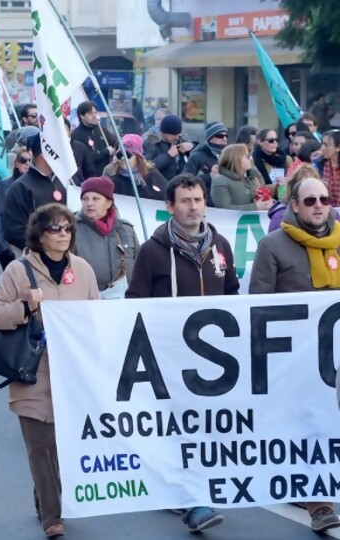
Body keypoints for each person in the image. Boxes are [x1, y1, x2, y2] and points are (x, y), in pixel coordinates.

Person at [126, 173, 236, 531]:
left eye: (198, 200)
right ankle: (193, 501)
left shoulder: (220, 245)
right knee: (179, 429)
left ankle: (189, 492)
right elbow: (135, 303)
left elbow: (232, 295)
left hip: (213, 361)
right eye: (186, 201)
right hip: (168, 357)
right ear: (170, 207)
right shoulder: (152, 251)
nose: (193, 207)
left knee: (207, 429)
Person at [0, 203, 100, 539]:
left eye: (67, 229)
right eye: (55, 229)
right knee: (40, 446)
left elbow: (95, 318)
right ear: (40, 234)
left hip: (71, 373)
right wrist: (24, 306)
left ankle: (45, 496)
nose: (62, 235)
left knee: (62, 446)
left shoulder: (83, 270)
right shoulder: (19, 272)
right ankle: (52, 514)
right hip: (31, 370)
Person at [249, 175, 340, 533]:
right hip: (301, 359)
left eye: (324, 199)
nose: (319, 205)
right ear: (296, 206)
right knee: (314, 427)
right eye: (310, 200)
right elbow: (259, 303)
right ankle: (320, 504)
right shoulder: (273, 245)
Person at [73, 177, 139, 299]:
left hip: (124, 302)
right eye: (85, 199)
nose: (89, 203)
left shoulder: (126, 229)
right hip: (84, 301)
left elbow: (140, 266)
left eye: (96, 199)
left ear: (109, 202)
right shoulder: (71, 229)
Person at [2, 133, 67, 255]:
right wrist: (45, 249)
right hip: (33, 258)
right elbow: (14, 231)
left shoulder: (64, 182)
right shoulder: (20, 187)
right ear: (44, 154)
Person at [0, 146, 32, 270]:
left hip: (30, 245)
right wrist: (1, 244)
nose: (27, 163)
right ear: (16, 164)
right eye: (23, 160)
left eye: (30, 160)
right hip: (9, 246)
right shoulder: (6, 185)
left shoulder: (36, 185)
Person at [102, 133, 168, 200]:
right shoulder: (113, 180)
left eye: (128, 155)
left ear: (138, 157)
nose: (123, 158)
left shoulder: (152, 175)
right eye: (120, 155)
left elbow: (167, 196)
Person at [210, 143, 272, 211]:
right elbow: (224, 209)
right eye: (247, 156)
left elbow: (261, 183)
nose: (251, 159)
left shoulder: (246, 179)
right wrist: (255, 207)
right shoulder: (220, 180)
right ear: (236, 158)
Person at [267, 164, 324, 231]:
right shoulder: (280, 218)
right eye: (303, 185)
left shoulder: (329, 213)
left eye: (313, 185)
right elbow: (273, 240)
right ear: (293, 188)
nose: (309, 190)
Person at [183, 121, 227, 203]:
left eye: (226, 136)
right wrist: (209, 176)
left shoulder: (227, 154)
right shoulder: (196, 156)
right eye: (220, 136)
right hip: (204, 203)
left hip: (223, 202)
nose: (224, 139)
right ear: (210, 137)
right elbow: (186, 182)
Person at [70, 101, 114, 179]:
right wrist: (106, 152)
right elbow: (86, 158)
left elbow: (114, 143)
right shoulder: (76, 135)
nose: (94, 116)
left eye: (95, 113)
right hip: (89, 179)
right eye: (90, 114)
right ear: (82, 116)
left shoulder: (101, 130)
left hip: (106, 177)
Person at [143, 114, 192, 180]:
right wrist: (168, 155)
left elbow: (200, 151)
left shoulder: (180, 139)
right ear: (163, 132)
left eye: (178, 134)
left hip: (180, 184)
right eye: (174, 134)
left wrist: (192, 146)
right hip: (161, 185)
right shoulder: (150, 143)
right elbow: (147, 168)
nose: (177, 137)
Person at [321, 130, 340, 206]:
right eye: (322, 143)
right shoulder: (320, 164)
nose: (322, 148)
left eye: (326, 145)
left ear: (338, 147)